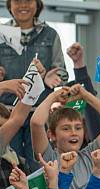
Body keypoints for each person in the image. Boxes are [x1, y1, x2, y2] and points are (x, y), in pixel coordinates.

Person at [31, 84, 100, 189]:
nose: (74, 132)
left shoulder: (91, 155)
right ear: (52, 135)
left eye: (78, 128)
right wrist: (53, 97)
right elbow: (36, 123)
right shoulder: (48, 157)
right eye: (66, 128)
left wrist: (86, 96)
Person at [0, 0, 66, 163]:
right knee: (11, 164)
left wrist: (49, 76)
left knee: (39, 164)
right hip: (7, 113)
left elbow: (62, 74)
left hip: (39, 112)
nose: (23, 5)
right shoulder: (1, 33)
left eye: (28, 0)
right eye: (17, 1)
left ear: (38, 4)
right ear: (9, 5)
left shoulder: (50, 34)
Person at [0, 78, 42, 189]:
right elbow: (17, 119)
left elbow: (15, 118)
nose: (5, 132)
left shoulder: (19, 161)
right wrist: (3, 86)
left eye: (4, 127)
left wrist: (33, 81)